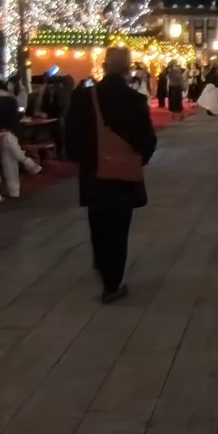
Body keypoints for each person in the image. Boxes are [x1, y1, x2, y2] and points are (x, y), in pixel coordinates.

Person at [64, 47, 156, 302]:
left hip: (93, 172)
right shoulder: (135, 101)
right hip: (122, 175)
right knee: (118, 228)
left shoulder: (84, 97)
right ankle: (112, 284)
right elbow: (148, 141)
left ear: (104, 66)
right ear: (127, 68)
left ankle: (102, 264)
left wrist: (84, 159)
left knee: (98, 222)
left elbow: (70, 135)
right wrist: (137, 158)